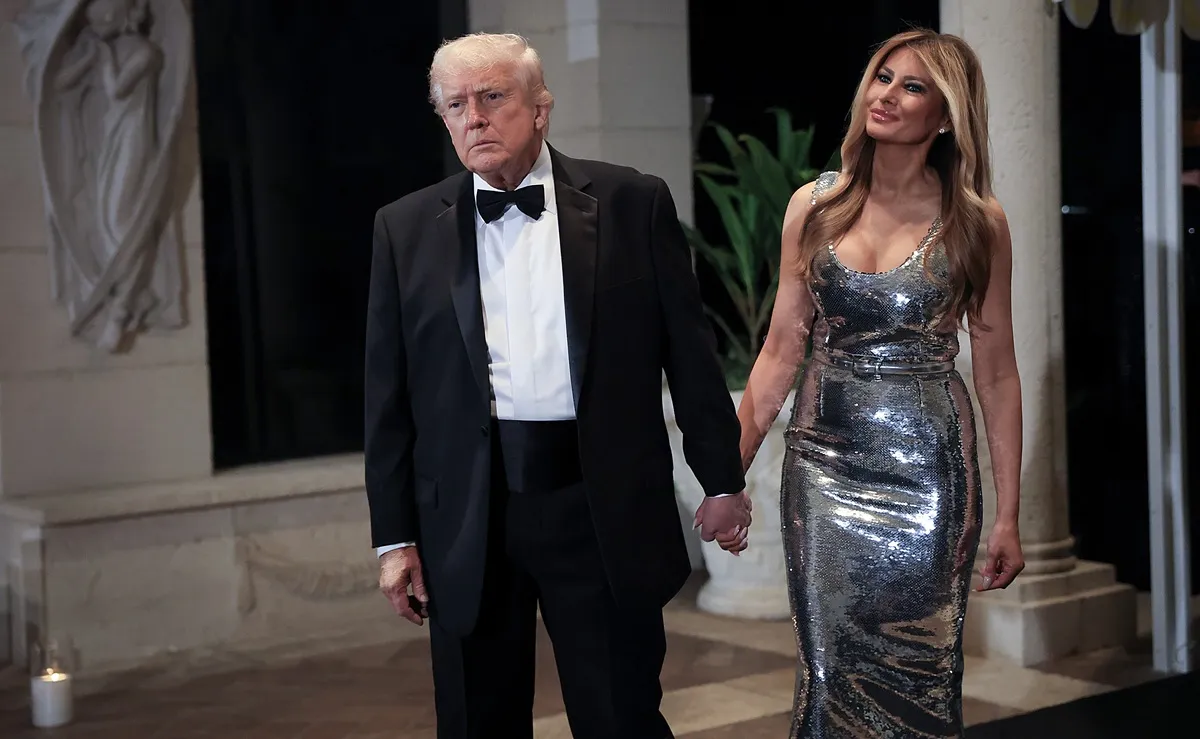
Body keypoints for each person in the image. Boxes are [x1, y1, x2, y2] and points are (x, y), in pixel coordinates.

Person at [363, 32, 750, 739]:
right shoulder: (405, 228)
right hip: (469, 518)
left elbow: (689, 357)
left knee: (620, 716)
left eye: (491, 97)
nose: (474, 117)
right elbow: (386, 399)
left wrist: (720, 480)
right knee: (477, 719)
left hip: (597, 504)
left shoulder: (633, 202)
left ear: (541, 109)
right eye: (456, 105)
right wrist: (394, 539)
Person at [731, 29, 1025, 737]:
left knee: (924, 674)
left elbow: (998, 371)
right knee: (827, 665)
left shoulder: (977, 223)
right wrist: (725, 471)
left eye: (913, 86)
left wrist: (1010, 513)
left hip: (928, 474)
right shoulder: (815, 204)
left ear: (947, 114)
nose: (887, 95)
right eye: (882, 77)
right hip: (823, 464)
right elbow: (778, 350)